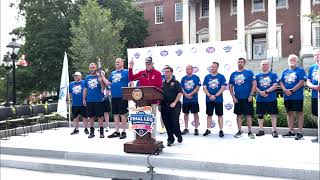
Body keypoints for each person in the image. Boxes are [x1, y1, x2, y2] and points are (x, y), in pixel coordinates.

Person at [129, 57, 162, 137]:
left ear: (152, 64)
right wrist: (131, 68)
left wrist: (155, 97)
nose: (148, 65)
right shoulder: (142, 73)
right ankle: (139, 138)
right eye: (146, 64)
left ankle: (152, 138)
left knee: (151, 121)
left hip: (153, 101)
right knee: (141, 121)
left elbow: (159, 87)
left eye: (149, 64)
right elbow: (131, 78)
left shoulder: (157, 73)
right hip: (141, 101)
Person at [279, 54, 307, 140]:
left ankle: (300, 132)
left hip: (297, 97)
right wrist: (285, 90)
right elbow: (280, 82)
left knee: (299, 113)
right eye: (290, 59)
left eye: (294, 59)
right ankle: (291, 131)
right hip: (287, 97)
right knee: (289, 113)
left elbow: (302, 82)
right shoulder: (284, 72)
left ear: (296, 61)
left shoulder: (300, 70)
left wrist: (291, 90)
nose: (292, 61)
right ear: (288, 61)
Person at [102, 58, 130, 139]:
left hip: (123, 96)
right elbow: (109, 83)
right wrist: (103, 77)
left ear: (122, 63)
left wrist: (130, 94)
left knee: (123, 114)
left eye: (118, 61)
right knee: (115, 114)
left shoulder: (126, 72)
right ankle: (117, 131)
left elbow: (131, 82)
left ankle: (124, 131)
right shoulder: (112, 73)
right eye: (116, 62)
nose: (117, 63)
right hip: (114, 96)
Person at [229, 57, 256, 139]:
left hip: (247, 98)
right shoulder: (233, 74)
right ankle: (239, 131)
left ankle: (250, 132)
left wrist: (251, 95)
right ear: (237, 63)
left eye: (242, 62)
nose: (240, 63)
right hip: (237, 98)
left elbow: (254, 84)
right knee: (239, 115)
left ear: (244, 63)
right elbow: (230, 87)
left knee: (248, 115)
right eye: (239, 62)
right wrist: (233, 97)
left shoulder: (249, 73)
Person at [255, 60, 279, 138]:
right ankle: (261, 130)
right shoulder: (257, 76)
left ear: (268, 66)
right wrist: (260, 92)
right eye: (263, 64)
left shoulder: (273, 75)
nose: (264, 66)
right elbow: (254, 86)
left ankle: (274, 130)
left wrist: (266, 91)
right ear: (260, 66)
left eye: (266, 64)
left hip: (271, 98)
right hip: (260, 98)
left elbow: (275, 85)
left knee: (273, 114)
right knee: (260, 114)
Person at [203, 62, 226, 137]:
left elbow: (223, 87)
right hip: (209, 99)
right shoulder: (207, 77)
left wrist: (215, 95)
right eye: (211, 67)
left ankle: (221, 130)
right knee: (209, 115)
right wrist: (209, 95)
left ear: (217, 68)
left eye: (214, 67)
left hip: (218, 99)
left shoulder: (221, 77)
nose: (212, 68)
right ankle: (208, 129)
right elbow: (204, 87)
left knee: (220, 115)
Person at [161, 66, 183, 146]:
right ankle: (170, 138)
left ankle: (178, 135)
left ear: (171, 73)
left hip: (174, 105)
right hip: (164, 105)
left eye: (167, 71)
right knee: (166, 123)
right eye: (165, 72)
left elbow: (180, 93)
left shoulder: (176, 82)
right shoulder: (162, 83)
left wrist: (174, 102)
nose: (166, 73)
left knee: (174, 122)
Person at [83, 63, 106, 138]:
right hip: (89, 100)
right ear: (89, 68)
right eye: (91, 67)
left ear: (96, 68)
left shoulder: (99, 76)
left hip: (98, 99)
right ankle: (91, 132)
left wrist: (101, 81)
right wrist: (84, 98)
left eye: (93, 67)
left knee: (100, 116)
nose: (92, 68)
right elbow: (85, 88)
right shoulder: (87, 78)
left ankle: (101, 132)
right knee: (91, 116)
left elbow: (103, 88)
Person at [181, 65, 201, 136]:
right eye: (186, 69)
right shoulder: (183, 78)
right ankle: (186, 128)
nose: (187, 70)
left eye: (188, 69)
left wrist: (190, 94)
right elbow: (182, 88)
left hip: (194, 99)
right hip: (185, 100)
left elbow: (197, 87)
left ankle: (196, 128)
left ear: (192, 70)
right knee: (186, 114)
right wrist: (186, 94)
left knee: (195, 114)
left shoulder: (196, 77)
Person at [306, 49, 320, 143]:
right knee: (317, 115)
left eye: (318, 54)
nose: (316, 56)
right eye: (315, 55)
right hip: (315, 95)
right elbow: (308, 81)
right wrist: (313, 86)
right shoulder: (312, 68)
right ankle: (319, 135)